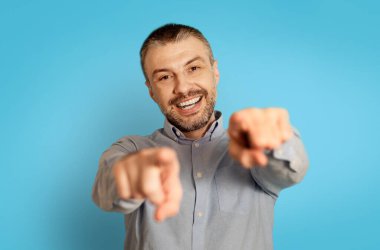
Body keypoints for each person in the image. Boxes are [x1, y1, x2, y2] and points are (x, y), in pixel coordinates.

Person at [92, 23, 309, 250]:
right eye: (165, 77)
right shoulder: (132, 149)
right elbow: (106, 188)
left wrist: (276, 141)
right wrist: (132, 176)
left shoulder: (251, 150)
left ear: (215, 72)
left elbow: (291, 168)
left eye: (193, 68)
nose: (183, 88)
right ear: (151, 91)